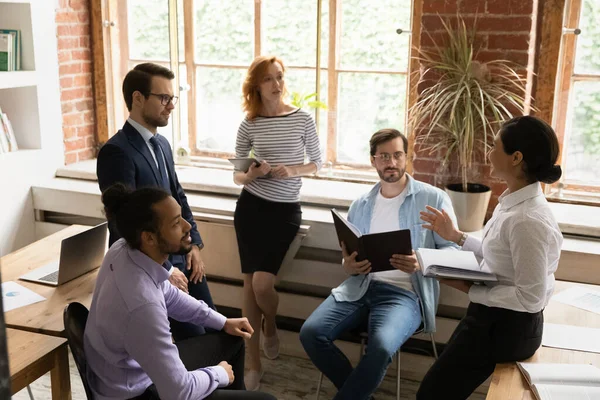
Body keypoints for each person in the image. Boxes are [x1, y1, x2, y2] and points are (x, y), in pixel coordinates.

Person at [299, 128, 459, 400]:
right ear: (373, 160)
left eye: (397, 155)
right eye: (384, 156)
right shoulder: (361, 204)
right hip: (360, 287)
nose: (392, 163)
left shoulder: (433, 199)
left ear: (407, 157)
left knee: (382, 346)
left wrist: (420, 262)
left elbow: (454, 251)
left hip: (405, 295)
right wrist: (348, 266)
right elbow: (349, 257)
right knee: (311, 333)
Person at [416, 115, 564, 400]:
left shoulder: (527, 219)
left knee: (431, 395)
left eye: (495, 146)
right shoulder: (512, 201)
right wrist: (457, 236)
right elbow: (499, 257)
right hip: (491, 320)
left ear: (516, 157)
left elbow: (530, 299)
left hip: (508, 329)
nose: (488, 152)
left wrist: (472, 290)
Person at [84, 183, 276, 400]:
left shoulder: (124, 249)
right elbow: (178, 393)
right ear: (149, 238)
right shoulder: (142, 307)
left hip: (127, 371)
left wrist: (222, 321)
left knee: (232, 339)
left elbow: (171, 295)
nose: (187, 226)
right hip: (135, 393)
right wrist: (219, 373)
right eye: (176, 223)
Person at [97, 62, 214, 342]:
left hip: (183, 258)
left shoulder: (161, 144)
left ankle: (229, 385)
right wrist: (165, 270)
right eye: (163, 98)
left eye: (171, 98)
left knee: (219, 331)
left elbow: (178, 196)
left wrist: (194, 244)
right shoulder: (116, 152)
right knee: (196, 344)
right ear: (138, 98)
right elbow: (123, 225)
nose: (171, 105)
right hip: (154, 269)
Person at [232, 55, 322, 390]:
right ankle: (251, 360)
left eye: (280, 77)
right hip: (251, 209)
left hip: (285, 212)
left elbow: (317, 162)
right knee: (247, 284)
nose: (276, 84)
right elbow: (238, 176)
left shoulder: (302, 119)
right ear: (256, 85)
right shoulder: (249, 123)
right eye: (269, 79)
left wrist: (291, 170)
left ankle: (271, 322)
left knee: (262, 285)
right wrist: (252, 173)